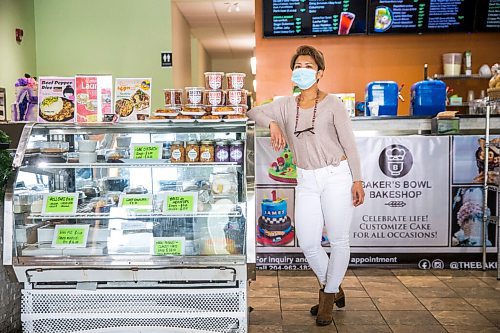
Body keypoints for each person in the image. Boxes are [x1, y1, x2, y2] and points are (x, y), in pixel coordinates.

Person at [247, 45, 365, 326]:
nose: (302, 71)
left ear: (320, 72)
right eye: (298, 66)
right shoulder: (286, 105)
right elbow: (253, 113)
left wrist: (358, 179)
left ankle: (327, 299)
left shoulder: (333, 104)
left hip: (337, 175)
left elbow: (349, 144)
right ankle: (334, 287)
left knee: (338, 241)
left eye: (308, 66)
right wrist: (274, 123)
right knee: (309, 243)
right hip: (306, 179)